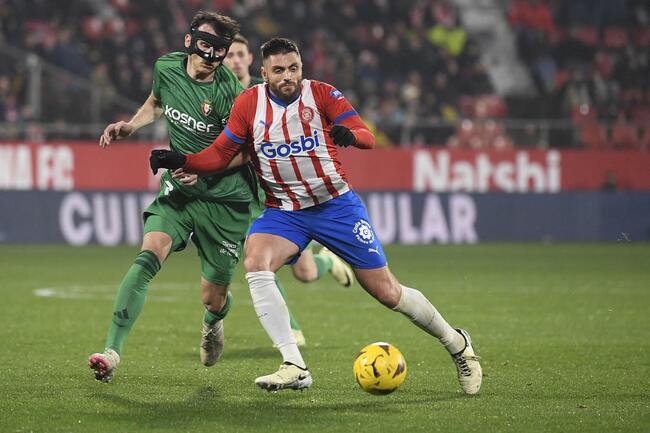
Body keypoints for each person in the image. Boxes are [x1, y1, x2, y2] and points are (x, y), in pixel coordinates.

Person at [149, 37, 483, 395]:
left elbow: (366, 136)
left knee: (387, 292)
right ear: (264, 73)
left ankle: (457, 344)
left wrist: (348, 135)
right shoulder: (249, 103)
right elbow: (220, 154)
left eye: (294, 68)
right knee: (256, 260)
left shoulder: (322, 94)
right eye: (279, 70)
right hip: (284, 211)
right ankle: (294, 364)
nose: (288, 76)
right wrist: (182, 161)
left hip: (335, 206)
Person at [87, 12, 303, 383]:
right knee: (148, 254)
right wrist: (131, 125)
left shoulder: (229, 94)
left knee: (212, 297)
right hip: (180, 191)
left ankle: (213, 321)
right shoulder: (167, 68)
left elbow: (247, 152)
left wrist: (204, 167)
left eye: (219, 50)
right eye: (205, 46)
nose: (211, 56)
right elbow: (157, 101)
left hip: (225, 201)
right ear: (189, 41)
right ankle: (112, 351)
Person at [223, 33, 354, 294]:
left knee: (306, 273)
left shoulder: (274, 92)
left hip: (280, 191)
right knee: (259, 260)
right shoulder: (219, 97)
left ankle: (326, 260)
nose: (236, 61)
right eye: (229, 56)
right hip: (242, 190)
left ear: (250, 59)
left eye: (240, 55)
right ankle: (290, 331)